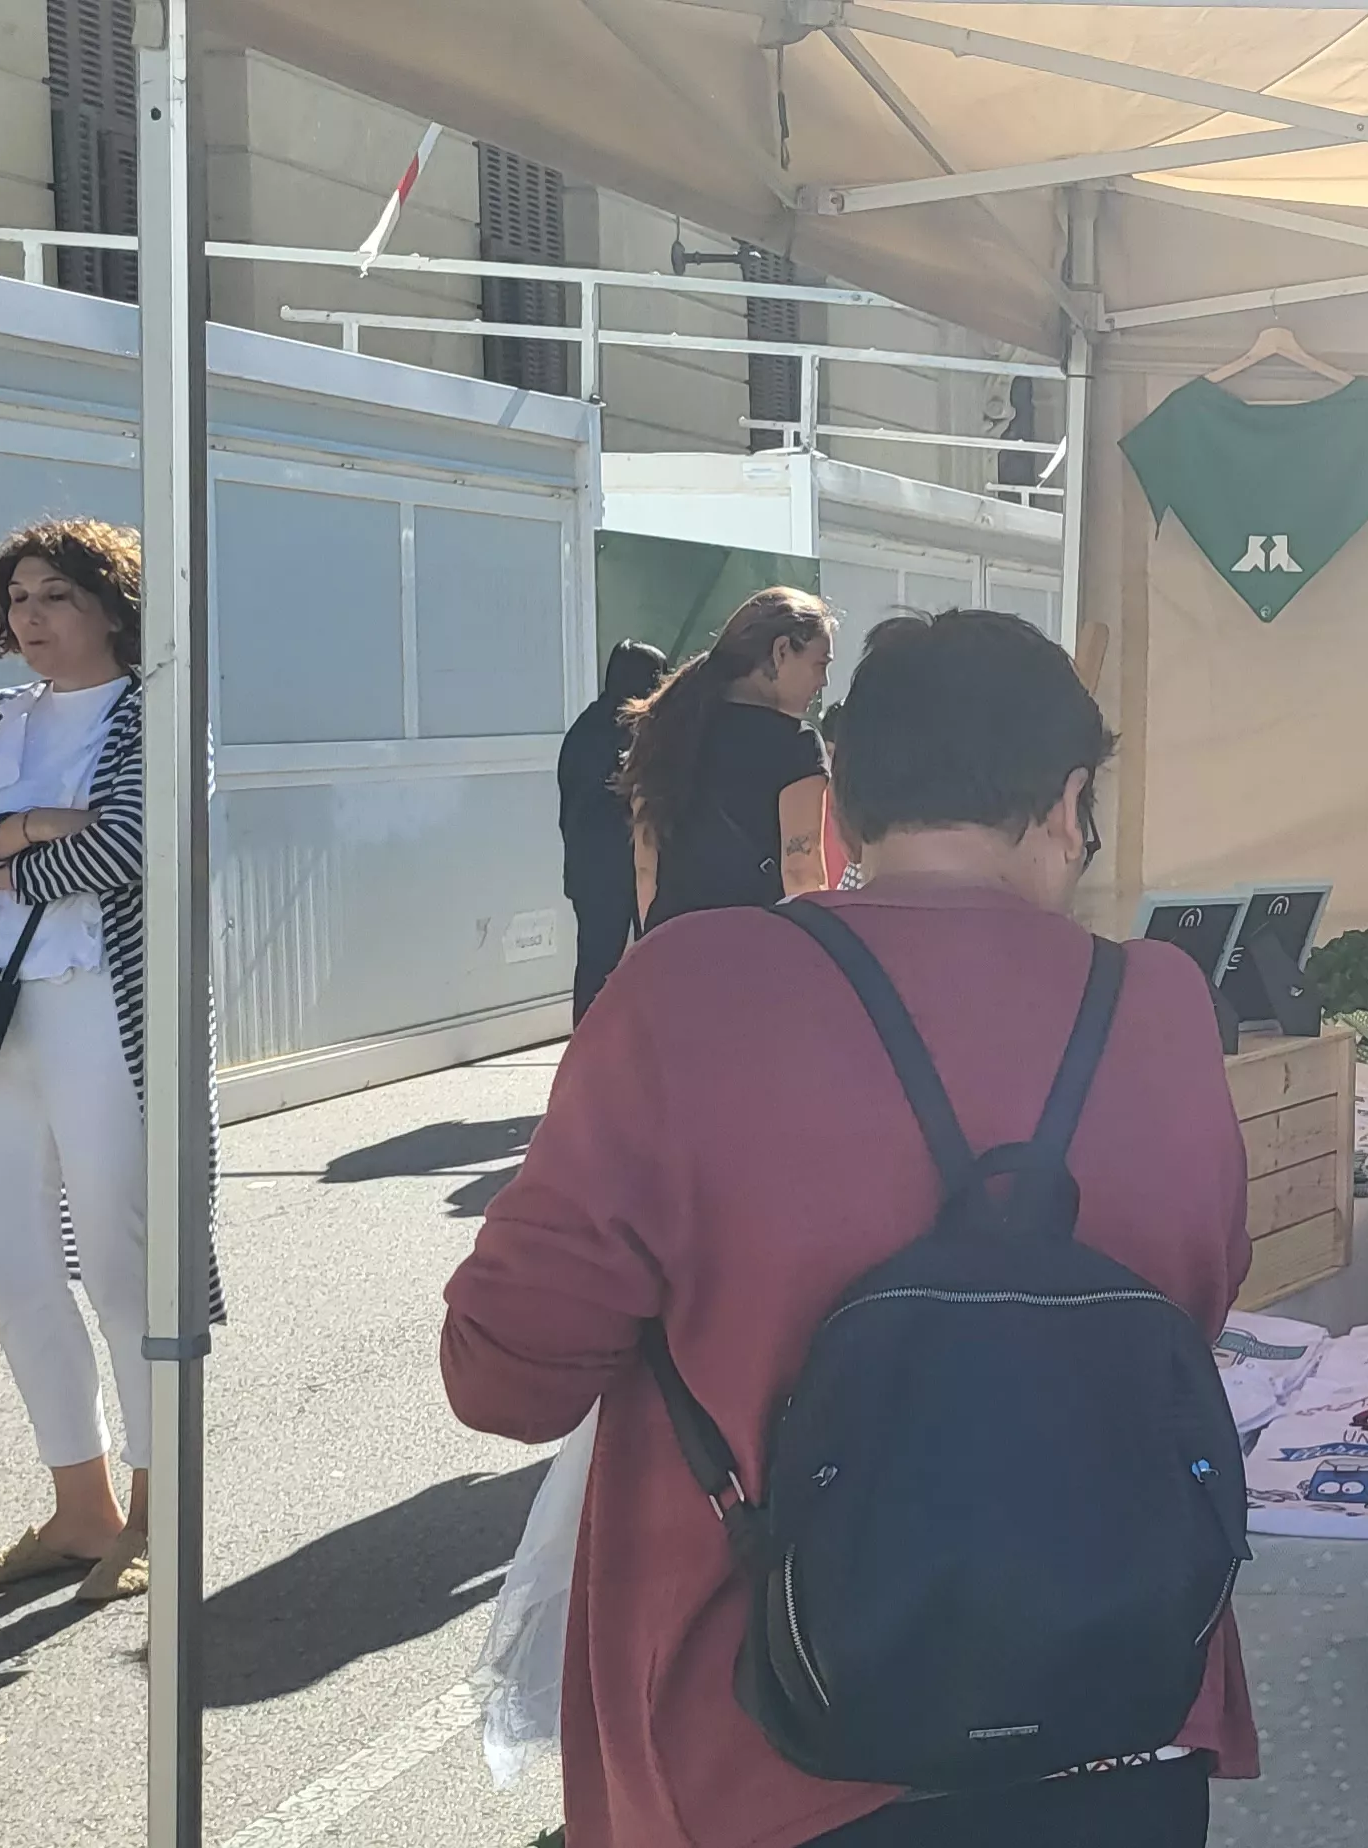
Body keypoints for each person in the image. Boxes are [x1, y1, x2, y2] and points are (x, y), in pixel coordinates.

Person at [444, 608, 1257, 1848]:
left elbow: (505, 1375)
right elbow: (1200, 1292)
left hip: (771, 1734)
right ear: (1068, 803)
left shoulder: (692, 984)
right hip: (1113, 1696)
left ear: (840, 801)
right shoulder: (1159, 1002)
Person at [0, 518, 163, 1606]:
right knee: (8, 1264)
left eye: (56, 594)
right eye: (16, 599)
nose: (30, 617)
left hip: (102, 1003)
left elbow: (131, 848)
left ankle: (155, 1514)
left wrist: (6, 858)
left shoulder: (155, 709)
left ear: (112, 604)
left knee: (123, 1265)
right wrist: (26, 831)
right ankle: (78, 1509)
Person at [622, 588, 833, 927]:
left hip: (672, 941)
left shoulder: (668, 727)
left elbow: (646, 866)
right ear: (781, 651)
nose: (823, 681)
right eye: (820, 664)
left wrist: (656, 941)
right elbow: (802, 874)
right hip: (754, 944)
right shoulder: (797, 745)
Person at [557, 640, 669, 1022]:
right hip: (631, 868)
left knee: (594, 964)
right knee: (649, 960)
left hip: (587, 869)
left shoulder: (582, 729)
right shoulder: (637, 734)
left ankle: (586, 1045)